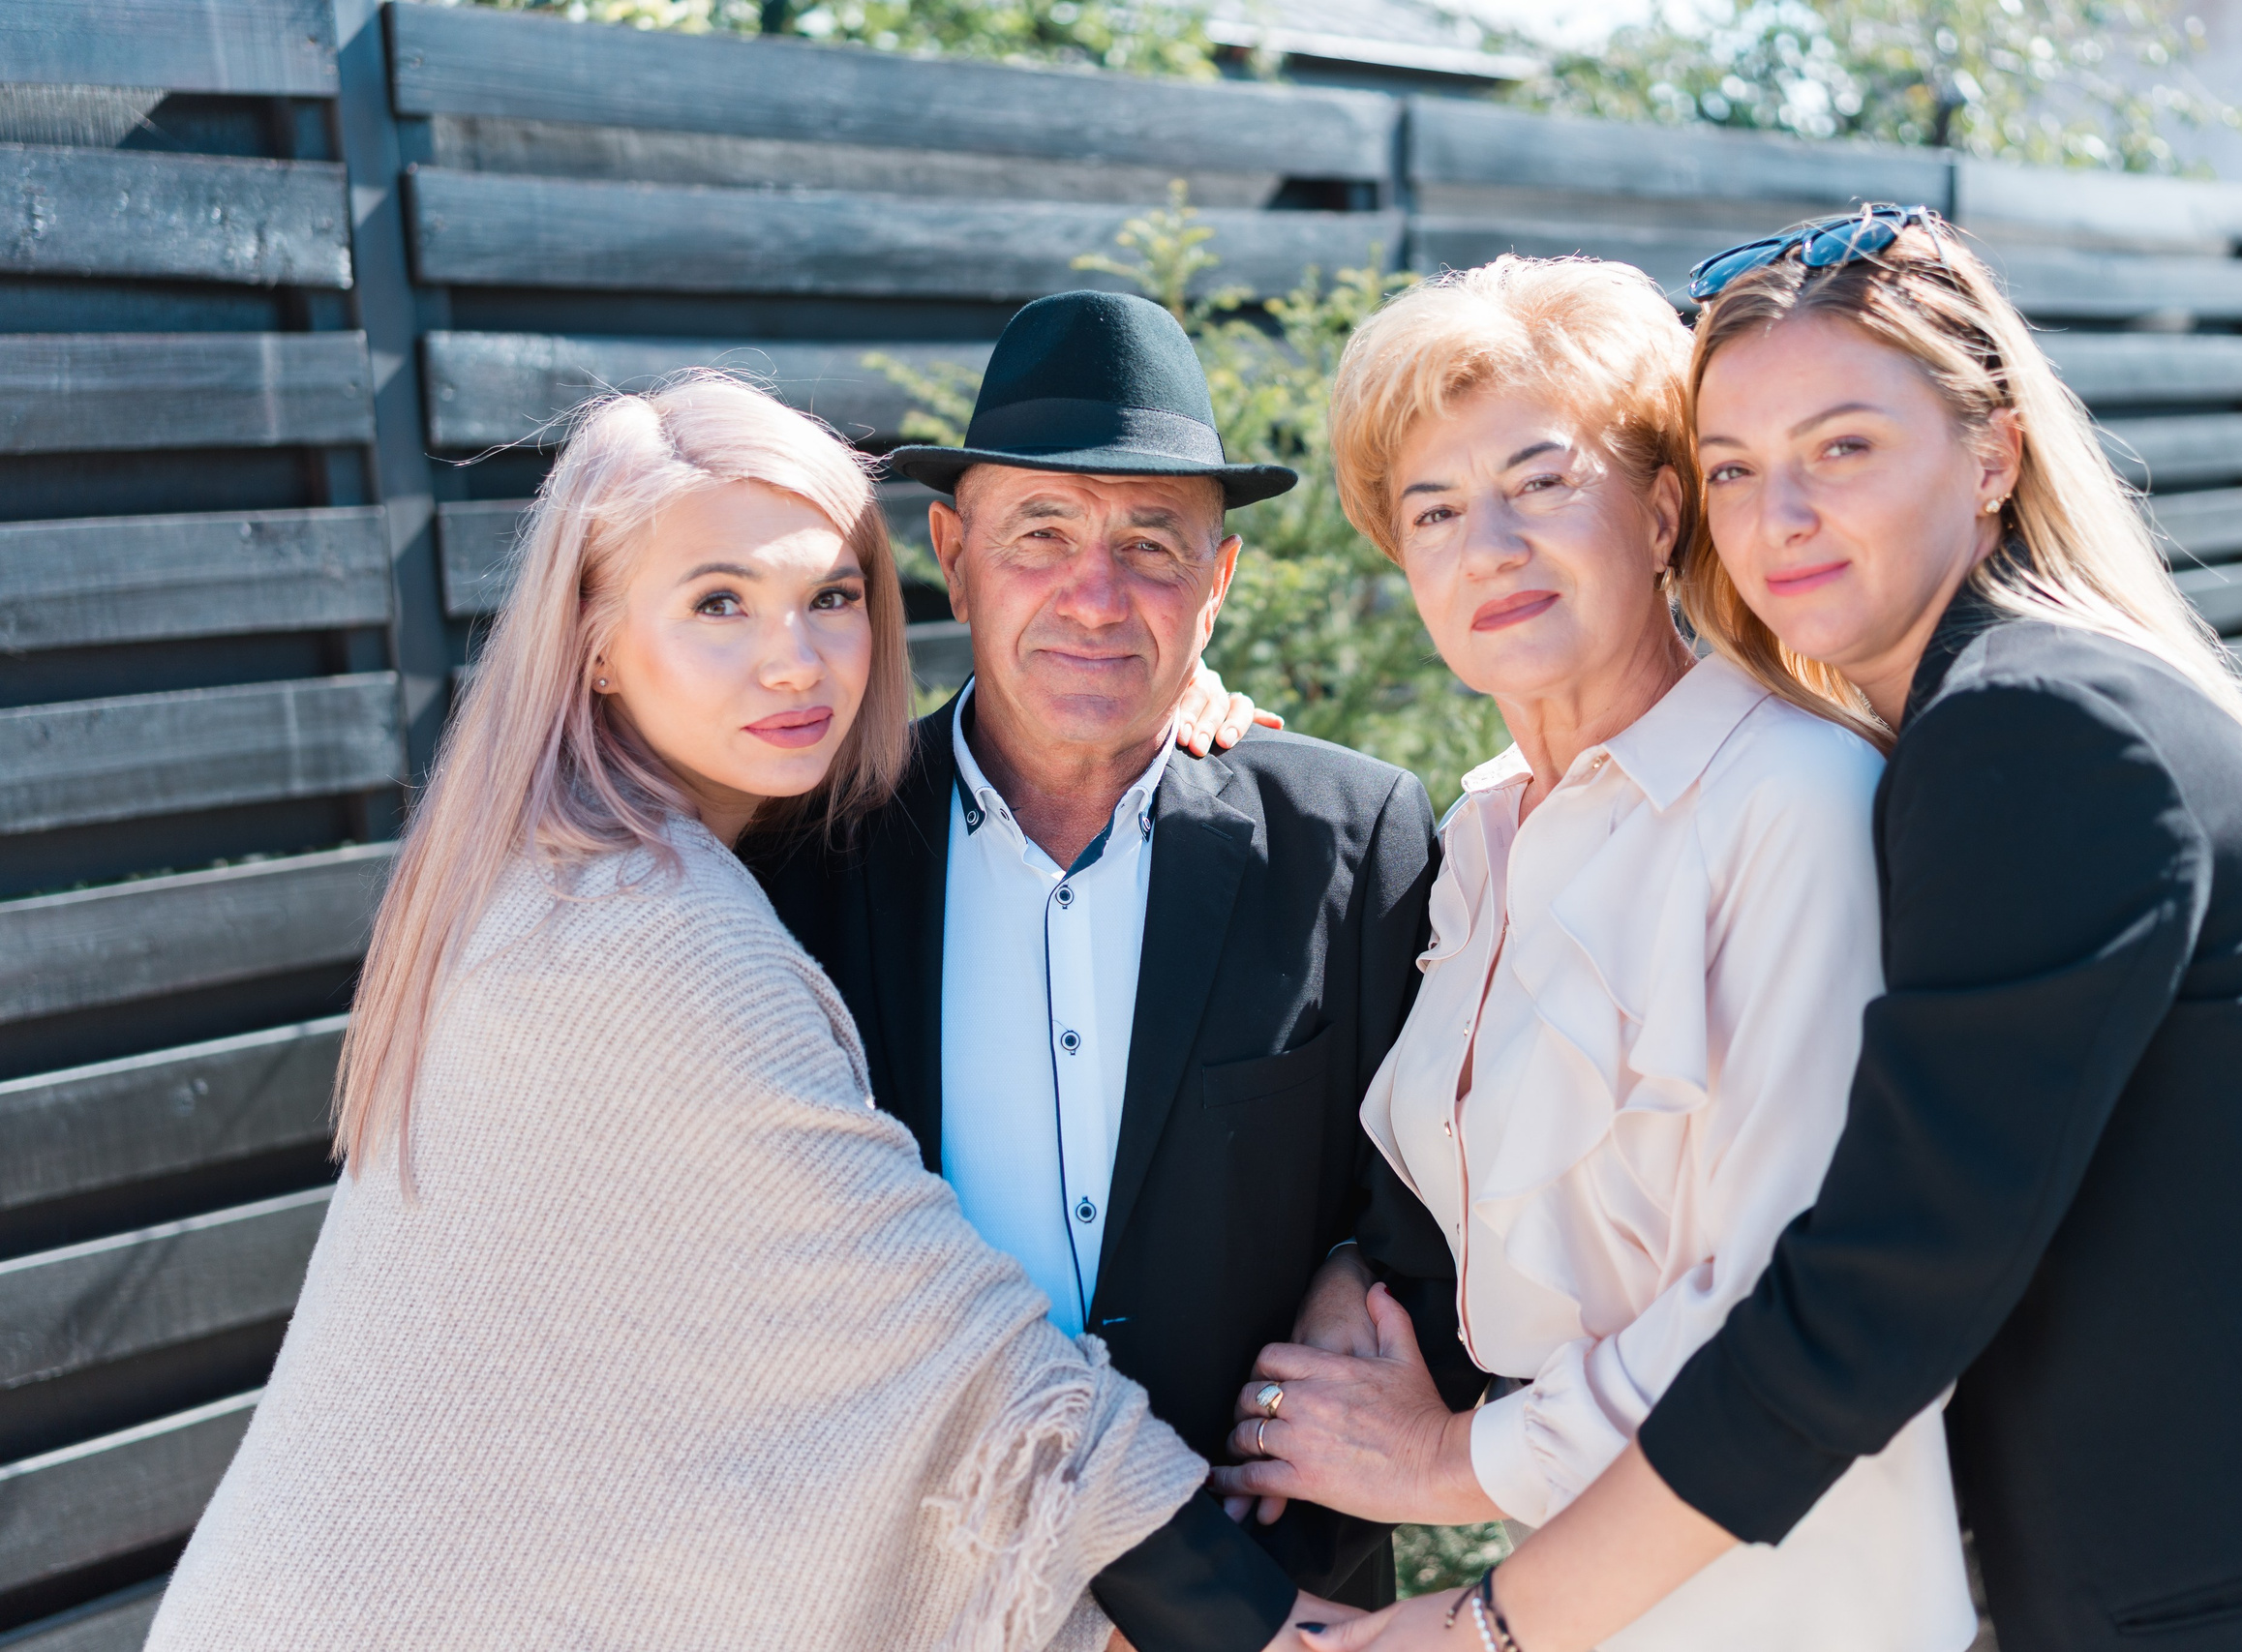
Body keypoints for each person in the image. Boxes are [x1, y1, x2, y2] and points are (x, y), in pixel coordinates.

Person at [1303, 210, 2242, 1652]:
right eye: (1738, 466)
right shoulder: (1976, 722)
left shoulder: (2028, 728)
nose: (1779, 515)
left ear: (1992, 454)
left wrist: (1483, 1615)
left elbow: (1865, 1291)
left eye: (1841, 448)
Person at [146, 375, 1222, 1651]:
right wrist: (1275, 1631)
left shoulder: (555, 863)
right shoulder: (650, 928)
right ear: (595, 637)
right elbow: (956, 1354)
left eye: (830, 597)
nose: (795, 657)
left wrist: (1140, 705)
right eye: (721, 602)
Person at [1203, 254, 1978, 1651]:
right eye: (1432, 512)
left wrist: (1449, 1466)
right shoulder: (1484, 834)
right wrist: (1352, 1277)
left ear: (1667, 510)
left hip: (1805, 1600)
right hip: (1571, 1609)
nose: (1486, 545)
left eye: (1542, 483)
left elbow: (1791, 1291)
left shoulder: (1792, 802)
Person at [750, 290, 1479, 1652]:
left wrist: (1354, 1277)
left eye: (1153, 543)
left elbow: (1448, 1197)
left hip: (1278, 1603)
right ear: (954, 557)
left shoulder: (1353, 837)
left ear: (1220, 583)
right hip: (907, 1605)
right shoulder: (804, 862)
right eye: (1043, 535)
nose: (1098, 595)